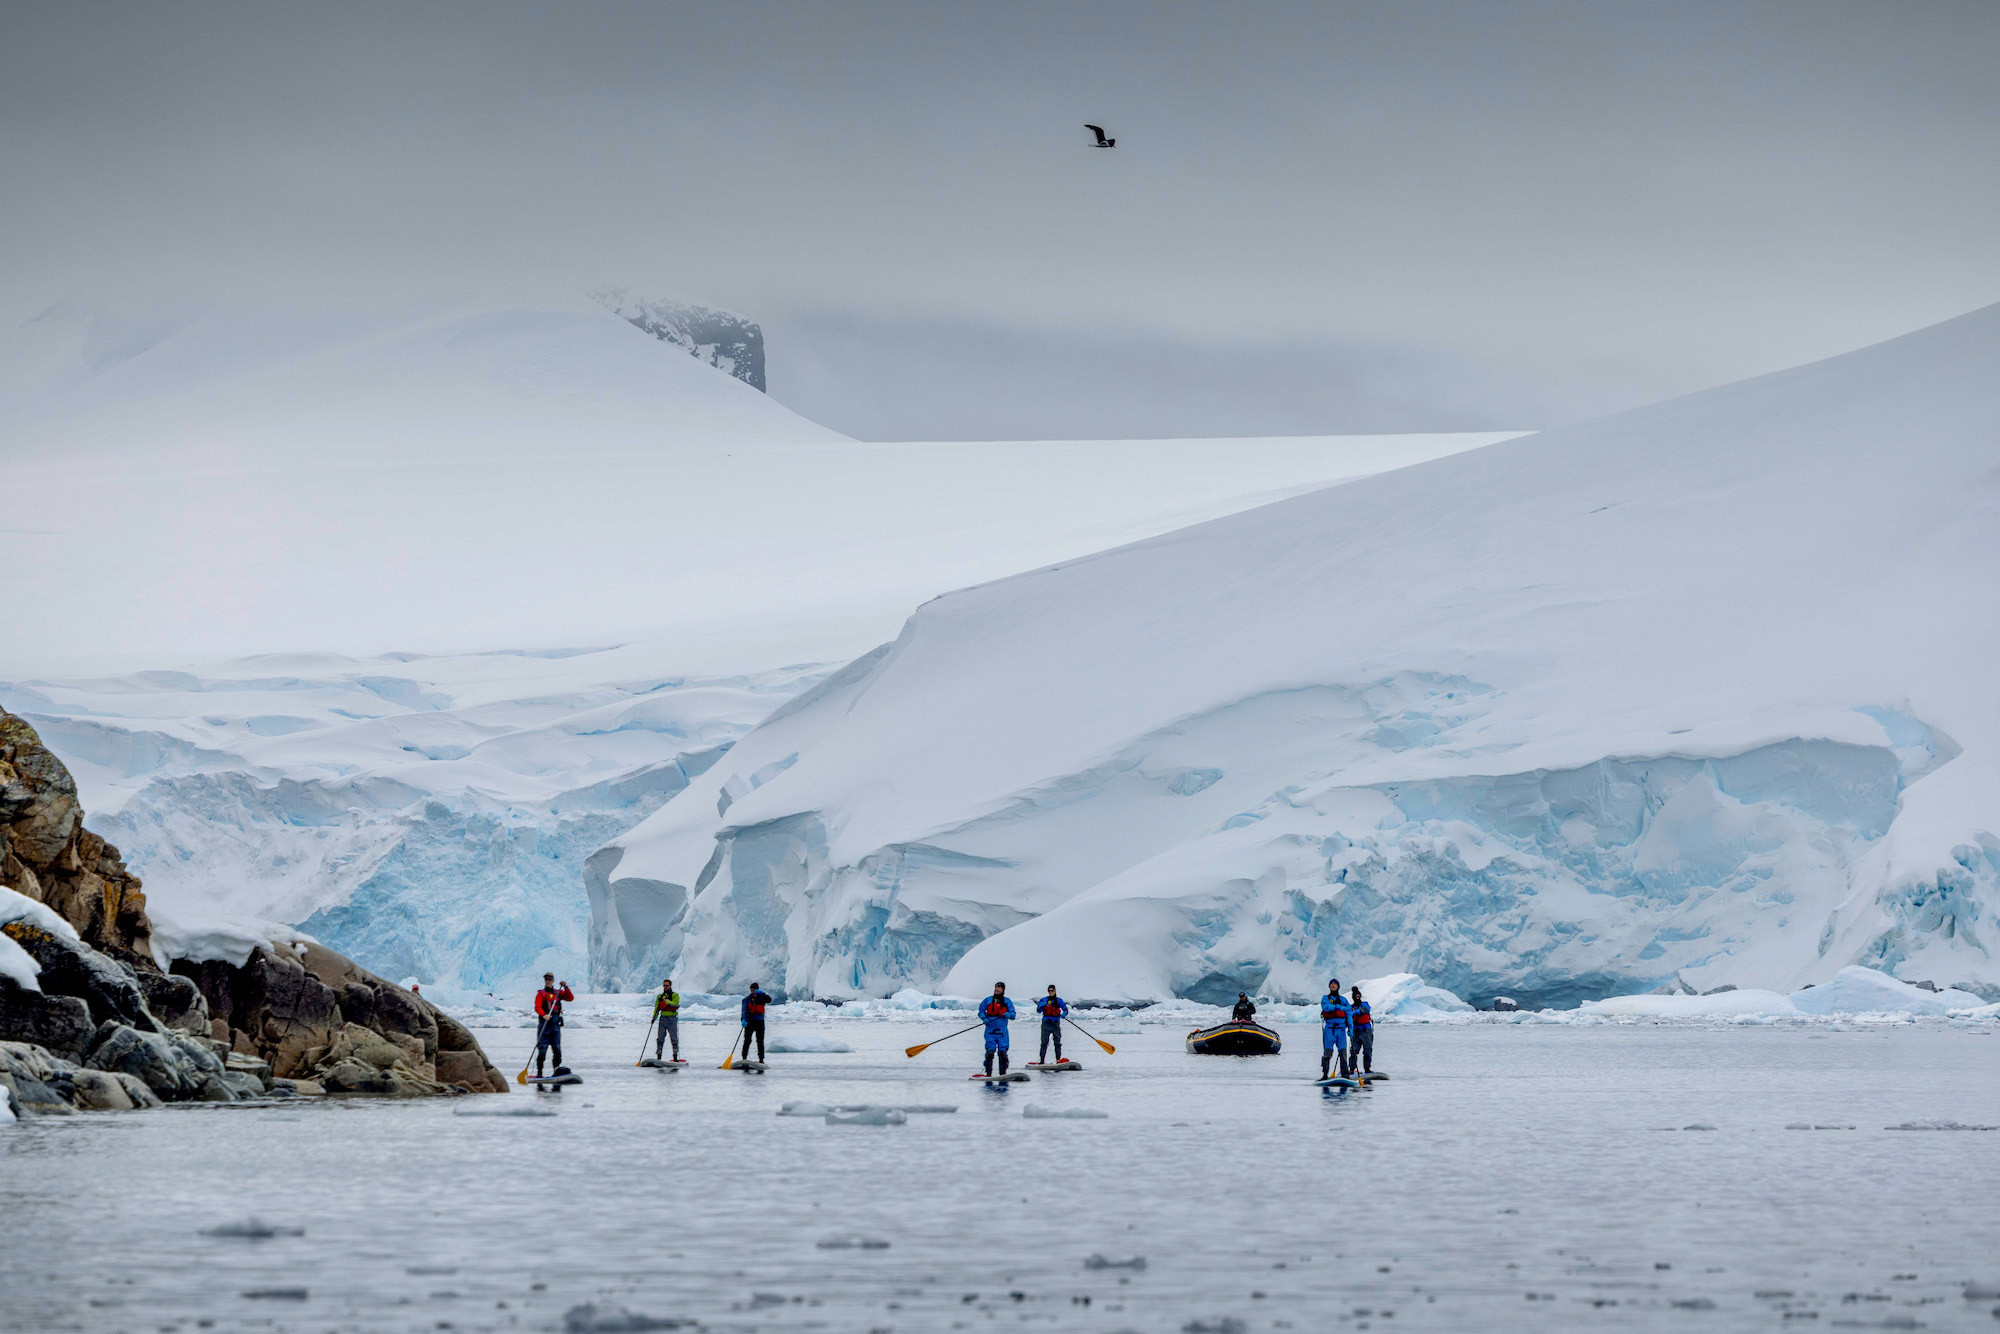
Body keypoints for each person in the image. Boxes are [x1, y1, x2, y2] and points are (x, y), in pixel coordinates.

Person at [533, 973, 574, 1077]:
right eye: (546, 979)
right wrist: (544, 1015)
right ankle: (539, 1073)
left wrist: (565, 987)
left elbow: (570, 998)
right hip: (545, 1023)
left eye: (550, 979)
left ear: (553, 980)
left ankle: (556, 1070)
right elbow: (537, 1007)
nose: (548, 981)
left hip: (555, 1024)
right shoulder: (541, 994)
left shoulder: (558, 993)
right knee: (542, 1049)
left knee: (557, 1049)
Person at [979, 981, 1017, 1076]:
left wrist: (1009, 1015)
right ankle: (988, 1074)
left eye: (999, 987)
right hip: (990, 1031)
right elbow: (981, 1011)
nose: (997, 989)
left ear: (1003, 989)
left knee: (1002, 1053)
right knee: (990, 1053)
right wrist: (984, 1018)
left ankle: (1003, 1074)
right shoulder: (987, 1000)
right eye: (996, 987)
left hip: (1002, 1032)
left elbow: (1013, 1014)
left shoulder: (1007, 1001)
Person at [1320, 978, 1352, 1080]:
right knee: (1327, 1053)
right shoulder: (1325, 998)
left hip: (1341, 1030)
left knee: (1343, 1053)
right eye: (1331, 984)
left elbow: (1349, 1014)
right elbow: (1326, 1008)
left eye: (1335, 984)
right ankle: (1325, 1075)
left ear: (1338, 986)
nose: (1333, 986)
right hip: (1329, 1029)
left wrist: (1350, 1028)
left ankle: (1345, 1075)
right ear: (1329, 986)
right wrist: (1338, 1007)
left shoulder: (1344, 1000)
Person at [1035, 984, 1069, 1063]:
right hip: (1046, 1023)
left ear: (1055, 991)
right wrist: (1041, 1006)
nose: (1051, 992)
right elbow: (1038, 1010)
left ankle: (1058, 1059)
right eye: (1049, 991)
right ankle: (1042, 1060)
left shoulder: (1059, 1001)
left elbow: (1066, 1010)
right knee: (1044, 1042)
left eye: (1052, 991)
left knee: (1057, 1042)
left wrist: (1064, 1014)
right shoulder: (1044, 1000)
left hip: (1055, 1023)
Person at [739, 981, 772, 1063]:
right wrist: (743, 1020)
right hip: (749, 1022)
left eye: (754, 990)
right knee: (747, 1040)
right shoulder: (746, 999)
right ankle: (744, 1057)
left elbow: (769, 1000)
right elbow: (744, 1011)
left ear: (757, 990)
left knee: (760, 1041)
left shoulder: (762, 998)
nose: (752, 992)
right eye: (751, 990)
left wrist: (762, 994)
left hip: (759, 1023)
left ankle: (761, 1059)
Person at [653, 976, 681, 1061]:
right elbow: (656, 1008)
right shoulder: (659, 996)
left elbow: (674, 1004)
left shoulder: (675, 995)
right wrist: (654, 1017)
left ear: (670, 986)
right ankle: (659, 1056)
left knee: (674, 1038)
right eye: (664, 986)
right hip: (663, 1019)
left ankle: (675, 1056)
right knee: (660, 1038)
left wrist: (666, 1001)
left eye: (667, 986)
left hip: (672, 1019)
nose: (665, 987)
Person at [1348, 985, 1373, 1075]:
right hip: (1355, 1031)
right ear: (1353, 998)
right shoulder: (1350, 1007)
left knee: (1367, 1050)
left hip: (1366, 1030)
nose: (1357, 998)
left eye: (1359, 996)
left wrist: (1355, 1012)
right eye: (1356, 997)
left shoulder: (1365, 1004)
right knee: (1354, 1051)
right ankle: (1351, 1069)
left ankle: (1367, 1068)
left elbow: (1364, 1010)